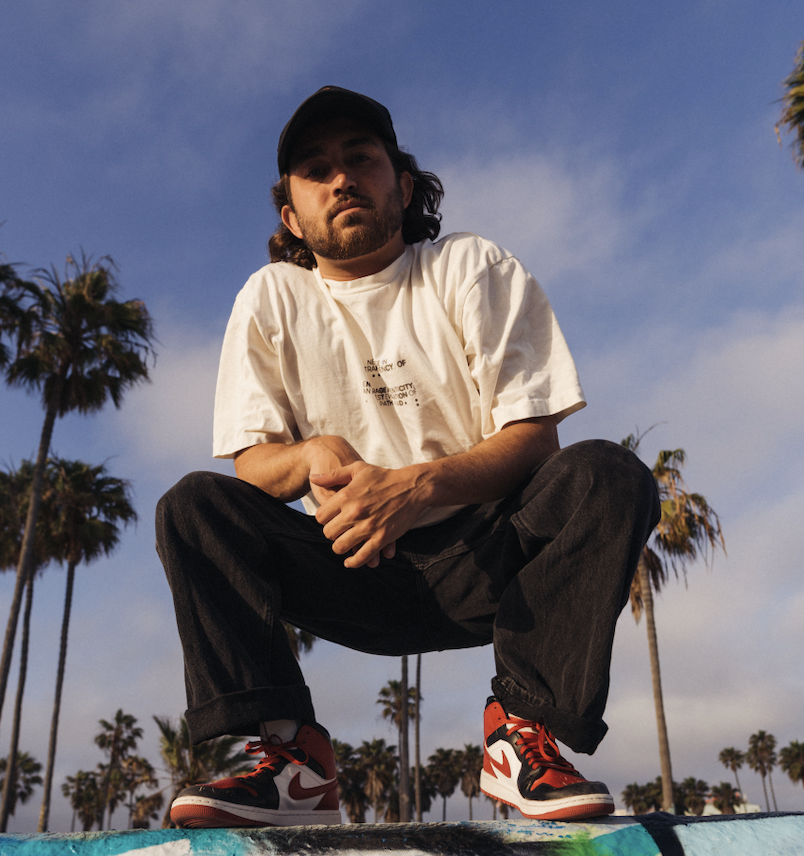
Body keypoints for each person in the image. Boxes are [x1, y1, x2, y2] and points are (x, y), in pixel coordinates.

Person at [156, 86, 660, 829]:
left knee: (608, 475)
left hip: (487, 560)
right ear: (291, 216)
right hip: (351, 564)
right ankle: (293, 762)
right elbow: (252, 464)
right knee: (194, 508)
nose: (341, 179)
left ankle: (523, 735)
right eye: (315, 170)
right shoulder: (271, 298)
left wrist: (415, 487)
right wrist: (310, 455)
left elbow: (534, 437)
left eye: (360, 158)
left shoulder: (469, 265)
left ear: (404, 183)